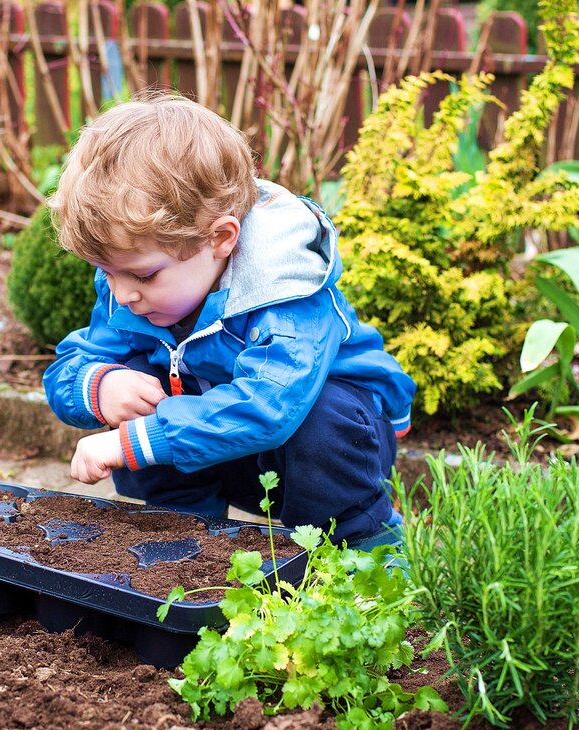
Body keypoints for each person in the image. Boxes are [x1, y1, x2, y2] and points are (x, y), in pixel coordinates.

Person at [42, 93, 415, 543]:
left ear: (220, 238)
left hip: (334, 453)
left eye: (143, 274)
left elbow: (269, 407)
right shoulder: (134, 289)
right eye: (106, 272)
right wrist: (99, 387)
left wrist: (133, 442)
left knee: (323, 418)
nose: (122, 294)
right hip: (225, 448)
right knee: (136, 381)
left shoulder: (286, 291)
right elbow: (70, 365)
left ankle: (362, 544)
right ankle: (186, 530)